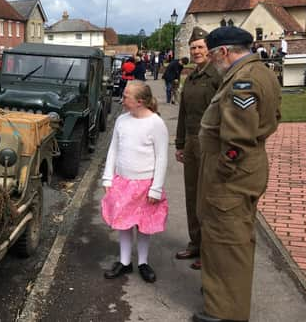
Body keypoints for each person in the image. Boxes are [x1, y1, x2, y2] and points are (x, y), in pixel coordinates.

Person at [193, 26, 281, 322]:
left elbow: (238, 139)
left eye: (214, 54)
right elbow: (273, 117)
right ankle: (223, 298)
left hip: (232, 174)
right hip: (248, 168)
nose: (213, 60)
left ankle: (224, 311)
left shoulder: (241, 80)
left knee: (226, 240)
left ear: (223, 51)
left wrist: (223, 171)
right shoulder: (261, 72)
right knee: (234, 236)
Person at [101, 80, 169, 283]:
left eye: (126, 97)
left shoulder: (156, 123)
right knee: (124, 223)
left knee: (143, 225)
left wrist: (156, 188)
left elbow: (162, 157)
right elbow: (113, 149)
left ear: (140, 101)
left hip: (145, 184)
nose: (122, 100)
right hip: (123, 182)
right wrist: (108, 176)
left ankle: (143, 262)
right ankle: (124, 262)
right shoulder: (122, 120)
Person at [174, 35, 221, 271]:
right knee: (192, 193)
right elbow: (183, 112)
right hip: (192, 141)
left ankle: (209, 250)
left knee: (208, 196)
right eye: (193, 47)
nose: (196, 51)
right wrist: (179, 143)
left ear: (209, 50)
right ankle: (195, 242)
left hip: (210, 142)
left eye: (200, 47)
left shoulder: (217, 76)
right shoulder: (191, 77)